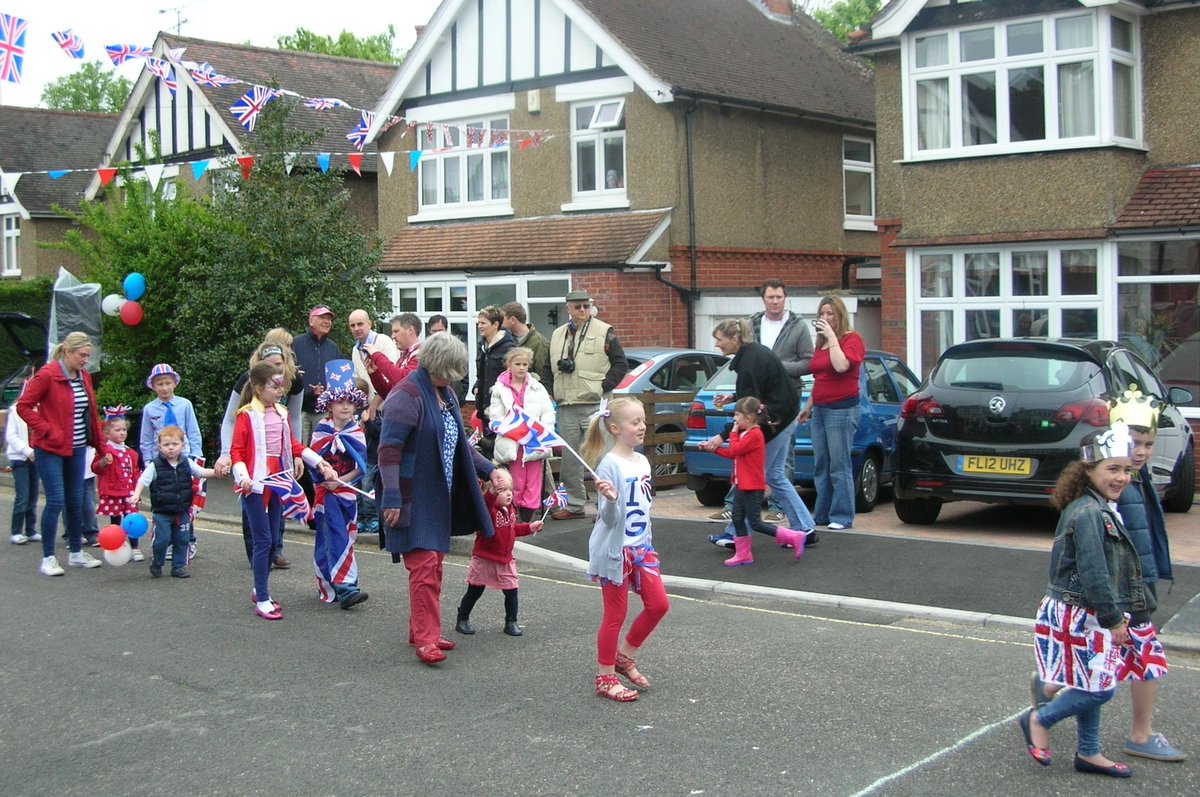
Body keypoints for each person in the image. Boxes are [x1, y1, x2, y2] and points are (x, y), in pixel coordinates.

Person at [1019, 423, 1141, 779]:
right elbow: (1093, 572)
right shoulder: (1090, 512)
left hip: (1080, 610)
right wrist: (1114, 619)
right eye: (1113, 469)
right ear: (1089, 469)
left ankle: (1089, 752)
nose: (1121, 477)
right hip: (1082, 613)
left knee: (1091, 682)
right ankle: (1040, 718)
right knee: (1101, 688)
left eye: (1127, 470)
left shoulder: (1094, 504)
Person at [378, 332, 505, 666]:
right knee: (422, 567)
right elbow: (388, 452)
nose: (453, 379)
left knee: (434, 566)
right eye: (450, 371)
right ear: (437, 364)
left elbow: (460, 443)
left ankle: (421, 629)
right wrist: (391, 498)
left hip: (436, 496)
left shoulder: (441, 391)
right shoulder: (405, 395)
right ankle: (425, 638)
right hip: (409, 497)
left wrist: (490, 470)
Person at [1106, 389, 1184, 761]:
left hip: (1138, 583)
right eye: (1134, 442)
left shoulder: (1138, 476)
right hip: (1124, 588)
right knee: (1142, 655)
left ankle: (1048, 688)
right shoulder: (1114, 481)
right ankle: (1140, 735)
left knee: (1103, 653)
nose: (1141, 451)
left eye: (1148, 443)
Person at [231, 362, 337, 620]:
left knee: (273, 542)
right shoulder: (246, 415)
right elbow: (236, 452)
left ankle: (260, 588)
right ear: (258, 388)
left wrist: (320, 462)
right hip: (256, 484)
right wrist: (243, 477)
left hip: (279, 481)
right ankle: (263, 597)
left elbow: (292, 445)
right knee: (263, 540)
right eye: (274, 386)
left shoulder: (281, 413)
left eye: (282, 386)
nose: (280, 391)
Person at [581, 396, 669, 703]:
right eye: (635, 422)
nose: (642, 426)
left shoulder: (642, 461)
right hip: (615, 553)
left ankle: (625, 655)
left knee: (658, 605)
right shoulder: (609, 465)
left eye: (643, 420)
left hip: (641, 550)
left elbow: (644, 508)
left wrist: (647, 540)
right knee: (615, 614)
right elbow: (608, 519)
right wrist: (612, 498)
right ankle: (604, 677)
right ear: (616, 428)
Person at [712, 279, 815, 532]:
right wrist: (733, 398)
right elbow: (755, 392)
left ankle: (735, 533)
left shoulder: (749, 363)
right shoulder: (753, 353)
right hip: (787, 414)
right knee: (775, 476)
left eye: (719, 339)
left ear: (735, 338)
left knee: (751, 476)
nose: (717, 345)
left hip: (777, 421)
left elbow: (750, 409)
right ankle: (805, 527)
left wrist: (722, 435)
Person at [16, 332, 110, 576]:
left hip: (77, 447)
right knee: (56, 500)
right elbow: (24, 406)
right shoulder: (48, 374)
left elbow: (91, 414)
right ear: (68, 352)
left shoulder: (84, 377)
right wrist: (47, 430)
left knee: (75, 500)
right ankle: (48, 558)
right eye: (82, 355)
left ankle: (76, 553)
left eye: (88, 356)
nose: (85, 360)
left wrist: (102, 448)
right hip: (49, 449)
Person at [215, 332, 304, 568]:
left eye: (280, 365)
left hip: (277, 452)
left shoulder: (294, 382)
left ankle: (275, 549)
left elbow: (294, 418)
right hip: (252, 452)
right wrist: (227, 454)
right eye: (272, 366)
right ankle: (256, 552)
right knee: (253, 499)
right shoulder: (248, 381)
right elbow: (230, 419)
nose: (277, 371)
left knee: (278, 497)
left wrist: (295, 454)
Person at [542, 289, 629, 520]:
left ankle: (608, 505)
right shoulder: (558, 334)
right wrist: (552, 392)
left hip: (594, 405)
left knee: (602, 455)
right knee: (571, 459)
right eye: (578, 306)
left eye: (586, 306)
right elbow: (546, 369)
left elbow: (620, 364)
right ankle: (574, 504)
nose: (583, 310)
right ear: (567, 308)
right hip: (566, 405)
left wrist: (603, 387)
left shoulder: (604, 331)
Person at [712, 397, 808, 567]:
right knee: (737, 518)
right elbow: (734, 454)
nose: (734, 419)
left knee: (755, 523)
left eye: (737, 415)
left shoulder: (755, 435)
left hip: (752, 487)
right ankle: (743, 554)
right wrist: (714, 449)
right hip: (743, 484)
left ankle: (794, 537)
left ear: (748, 418)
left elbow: (735, 449)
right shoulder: (746, 433)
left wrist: (732, 433)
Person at [798, 295, 865, 531]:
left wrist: (833, 339)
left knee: (839, 465)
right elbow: (820, 378)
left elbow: (840, 366)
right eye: (822, 314)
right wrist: (808, 406)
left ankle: (843, 515)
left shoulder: (851, 340)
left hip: (842, 410)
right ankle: (822, 513)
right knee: (821, 464)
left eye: (830, 314)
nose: (826, 318)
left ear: (839, 315)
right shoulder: (820, 343)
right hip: (821, 409)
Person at [454, 467, 543, 637]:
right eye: (503, 491)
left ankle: (511, 621)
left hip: (505, 559)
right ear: (491, 492)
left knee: (512, 590)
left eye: (510, 490)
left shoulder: (509, 510)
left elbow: (512, 529)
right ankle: (463, 617)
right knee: (475, 590)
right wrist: (493, 493)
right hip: (485, 558)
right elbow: (486, 507)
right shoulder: (487, 511)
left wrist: (530, 527)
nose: (509, 494)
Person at [129, 426, 219, 579]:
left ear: (182, 446)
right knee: (162, 540)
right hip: (162, 512)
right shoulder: (154, 465)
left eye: (175, 444)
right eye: (166, 445)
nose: (171, 448)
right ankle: (157, 563)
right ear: (159, 447)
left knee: (182, 540)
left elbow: (201, 472)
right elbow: (143, 480)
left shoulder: (187, 463)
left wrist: (217, 472)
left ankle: (178, 567)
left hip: (182, 510)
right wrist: (136, 495)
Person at [310, 383, 371, 610]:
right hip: (326, 493)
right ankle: (346, 588)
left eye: (350, 402)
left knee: (346, 536)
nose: (346, 407)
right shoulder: (321, 430)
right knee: (335, 535)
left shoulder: (356, 432)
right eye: (340, 402)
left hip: (347, 491)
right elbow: (312, 461)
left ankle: (338, 581)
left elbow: (360, 466)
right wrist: (325, 481)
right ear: (330, 405)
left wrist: (341, 481)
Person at [488, 346, 556, 521]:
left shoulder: (537, 387)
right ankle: (514, 509)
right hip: (514, 439)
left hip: (534, 439)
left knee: (534, 478)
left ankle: (529, 513)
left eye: (525, 364)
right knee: (516, 478)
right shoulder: (499, 389)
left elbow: (548, 411)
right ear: (509, 365)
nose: (521, 368)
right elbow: (496, 416)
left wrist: (545, 430)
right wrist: (509, 429)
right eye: (517, 364)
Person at [92, 407, 143, 560]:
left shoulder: (131, 453)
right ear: (107, 433)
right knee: (115, 521)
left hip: (129, 493)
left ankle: (135, 547)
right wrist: (102, 462)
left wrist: (137, 490)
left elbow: (135, 472)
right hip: (113, 492)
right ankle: (117, 545)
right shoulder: (105, 451)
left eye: (124, 430)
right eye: (117, 430)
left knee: (132, 519)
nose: (122, 433)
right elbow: (95, 468)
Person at [294, 305, 345, 447]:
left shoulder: (333, 348)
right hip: (299, 410)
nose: (327, 321)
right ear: (311, 321)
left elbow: (341, 379)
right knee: (299, 451)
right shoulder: (296, 343)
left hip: (324, 412)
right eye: (322, 317)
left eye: (329, 319)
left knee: (321, 451)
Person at [139, 363, 203, 467]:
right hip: (159, 458)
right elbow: (146, 437)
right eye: (160, 384)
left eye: (168, 383)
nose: (164, 388)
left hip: (184, 455)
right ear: (153, 387)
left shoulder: (185, 404)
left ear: (174, 384)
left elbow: (193, 432)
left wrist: (196, 455)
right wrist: (148, 460)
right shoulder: (149, 409)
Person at [472, 305, 514, 447]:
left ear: (496, 325)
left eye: (483, 323)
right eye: (479, 323)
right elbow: (481, 376)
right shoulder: (481, 347)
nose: (479, 326)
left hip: (501, 410)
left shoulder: (509, 347)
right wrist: (476, 387)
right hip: (484, 409)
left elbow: (513, 379)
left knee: (501, 450)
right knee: (487, 451)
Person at [5, 372, 38, 545]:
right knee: (23, 495)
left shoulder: (39, 409)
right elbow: (11, 436)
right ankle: (16, 530)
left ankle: (30, 530)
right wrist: (27, 451)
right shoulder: (15, 410)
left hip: (36, 456)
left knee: (33, 496)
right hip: (20, 457)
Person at [348, 308, 399, 412]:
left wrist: (373, 406)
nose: (356, 328)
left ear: (369, 324)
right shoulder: (355, 350)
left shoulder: (384, 342)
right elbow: (359, 383)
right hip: (368, 409)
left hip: (389, 408)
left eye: (360, 324)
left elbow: (391, 379)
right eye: (352, 325)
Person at [501, 301, 549, 380]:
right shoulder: (506, 340)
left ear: (512, 320)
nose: (501, 324)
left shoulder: (539, 343)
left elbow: (543, 374)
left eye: (503, 320)